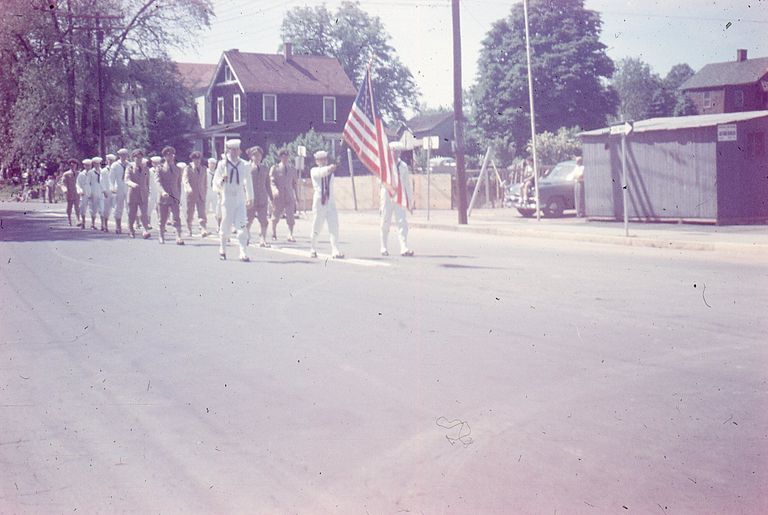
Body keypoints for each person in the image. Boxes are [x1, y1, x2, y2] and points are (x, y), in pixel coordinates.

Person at [213, 139, 253, 261]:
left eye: (237, 149)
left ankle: (242, 252)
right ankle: (222, 248)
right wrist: (222, 180)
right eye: (233, 150)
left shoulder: (244, 165)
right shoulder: (222, 165)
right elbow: (215, 182)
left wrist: (250, 198)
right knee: (225, 226)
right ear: (228, 150)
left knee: (242, 226)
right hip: (227, 198)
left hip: (239, 198)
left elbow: (248, 182)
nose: (236, 152)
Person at [380, 142, 415, 256]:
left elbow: (407, 185)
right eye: (393, 151)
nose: (395, 154)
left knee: (402, 221)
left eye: (397, 151)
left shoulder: (403, 166)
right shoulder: (385, 165)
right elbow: (379, 181)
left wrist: (410, 201)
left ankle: (404, 247)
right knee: (385, 221)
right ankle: (384, 247)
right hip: (387, 195)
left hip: (400, 196)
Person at [309, 150, 343, 259]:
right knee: (317, 225)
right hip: (319, 201)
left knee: (334, 226)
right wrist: (331, 167)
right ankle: (313, 248)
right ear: (316, 161)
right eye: (320, 159)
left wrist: (335, 165)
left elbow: (329, 171)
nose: (323, 161)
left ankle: (335, 250)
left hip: (330, 201)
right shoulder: (314, 170)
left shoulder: (330, 171)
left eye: (325, 159)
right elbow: (323, 172)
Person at [155, 146, 184, 245]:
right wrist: (162, 192)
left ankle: (178, 236)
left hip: (174, 197)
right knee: (162, 218)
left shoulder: (178, 169)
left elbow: (179, 184)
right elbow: (157, 183)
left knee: (176, 218)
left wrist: (179, 196)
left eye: (172, 155)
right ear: (165, 157)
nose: (171, 157)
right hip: (164, 198)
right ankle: (161, 235)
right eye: (168, 155)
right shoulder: (160, 168)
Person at [270, 148, 298, 242]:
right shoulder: (275, 168)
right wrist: (275, 190)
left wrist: (296, 196)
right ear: (280, 157)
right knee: (276, 215)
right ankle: (273, 232)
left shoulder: (292, 169)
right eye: (283, 156)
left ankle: (290, 234)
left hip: (289, 196)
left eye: (286, 156)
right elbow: (272, 182)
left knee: (290, 216)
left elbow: (294, 183)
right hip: (279, 197)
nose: (285, 158)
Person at [246, 145, 271, 248]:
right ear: (251, 156)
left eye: (259, 155)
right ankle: (246, 235)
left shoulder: (265, 168)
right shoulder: (247, 167)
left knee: (263, 220)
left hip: (262, 198)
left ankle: (263, 239)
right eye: (255, 155)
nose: (257, 157)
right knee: (249, 219)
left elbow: (267, 184)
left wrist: (271, 198)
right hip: (251, 198)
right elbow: (244, 184)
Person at [124, 149, 152, 239]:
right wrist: (132, 184)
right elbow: (126, 179)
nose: (138, 159)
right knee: (132, 214)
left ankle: (145, 230)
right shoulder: (130, 167)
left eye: (140, 157)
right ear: (133, 158)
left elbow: (147, 181)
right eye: (136, 157)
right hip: (133, 194)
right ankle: (131, 229)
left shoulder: (146, 168)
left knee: (144, 213)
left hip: (143, 194)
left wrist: (147, 190)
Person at [183, 151, 209, 237]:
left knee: (202, 213)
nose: (197, 161)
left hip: (201, 194)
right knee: (190, 213)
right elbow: (185, 180)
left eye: (198, 159)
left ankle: (203, 229)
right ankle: (189, 228)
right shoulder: (188, 168)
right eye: (195, 160)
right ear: (192, 160)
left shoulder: (204, 168)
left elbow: (205, 182)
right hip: (191, 194)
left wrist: (204, 192)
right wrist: (188, 188)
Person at [109, 149, 129, 235]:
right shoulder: (115, 165)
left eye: (125, 154)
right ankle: (118, 226)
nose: (123, 156)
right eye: (121, 155)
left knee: (130, 207)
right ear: (119, 155)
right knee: (118, 207)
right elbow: (111, 178)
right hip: (119, 187)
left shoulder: (130, 164)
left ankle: (130, 226)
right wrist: (112, 187)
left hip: (128, 187)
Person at [76, 158, 98, 229]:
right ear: (84, 166)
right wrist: (80, 190)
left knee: (93, 208)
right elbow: (78, 184)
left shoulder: (95, 173)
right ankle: (83, 222)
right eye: (86, 165)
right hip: (84, 192)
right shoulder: (81, 174)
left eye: (89, 165)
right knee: (83, 208)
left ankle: (93, 224)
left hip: (93, 192)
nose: (88, 167)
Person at [58, 159, 80, 226]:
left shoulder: (79, 173)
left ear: (76, 165)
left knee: (77, 207)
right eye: (71, 165)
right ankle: (69, 219)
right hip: (69, 193)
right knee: (69, 207)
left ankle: (78, 220)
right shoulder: (66, 174)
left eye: (74, 165)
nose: (73, 166)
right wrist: (65, 190)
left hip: (77, 193)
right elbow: (63, 183)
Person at [92, 156, 110, 232]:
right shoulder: (90, 172)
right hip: (93, 192)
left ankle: (103, 225)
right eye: (96, 164)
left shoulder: (103, 171)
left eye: (98, 163)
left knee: (102, 209)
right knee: (93, 209)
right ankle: (93, 224)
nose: (97, 165)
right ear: (93, 164)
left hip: (101, 192)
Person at [205, 157, 221, 233]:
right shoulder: (205, 172)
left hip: (215, 192)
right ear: (208, 164)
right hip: (207, 191)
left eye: (214, 164)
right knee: (205, 209)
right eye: (210, 164)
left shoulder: (218, 172)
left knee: (217, 210)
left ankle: (218, 226)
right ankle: (203, 225)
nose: (212, 165)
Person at [148, 155, 162, 228]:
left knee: (160, 208)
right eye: (154, 163)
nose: (156, 164)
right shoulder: (150, 171)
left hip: (159, 191)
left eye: (158, 162)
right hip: (151, 190)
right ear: (152, 163)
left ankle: (161, 224)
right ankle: (148, 223)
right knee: (150, 207)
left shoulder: (162, 170)